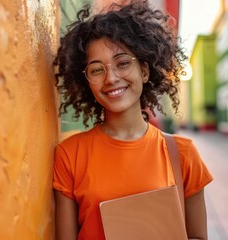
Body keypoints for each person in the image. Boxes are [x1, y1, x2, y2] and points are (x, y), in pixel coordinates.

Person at [52, 1, 213, 239]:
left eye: (123, 63)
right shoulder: (69, 155)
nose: (111, 78)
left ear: (144, 71)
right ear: (87, 81)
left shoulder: (183, 154)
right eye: (97, 69)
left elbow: (198, 236)